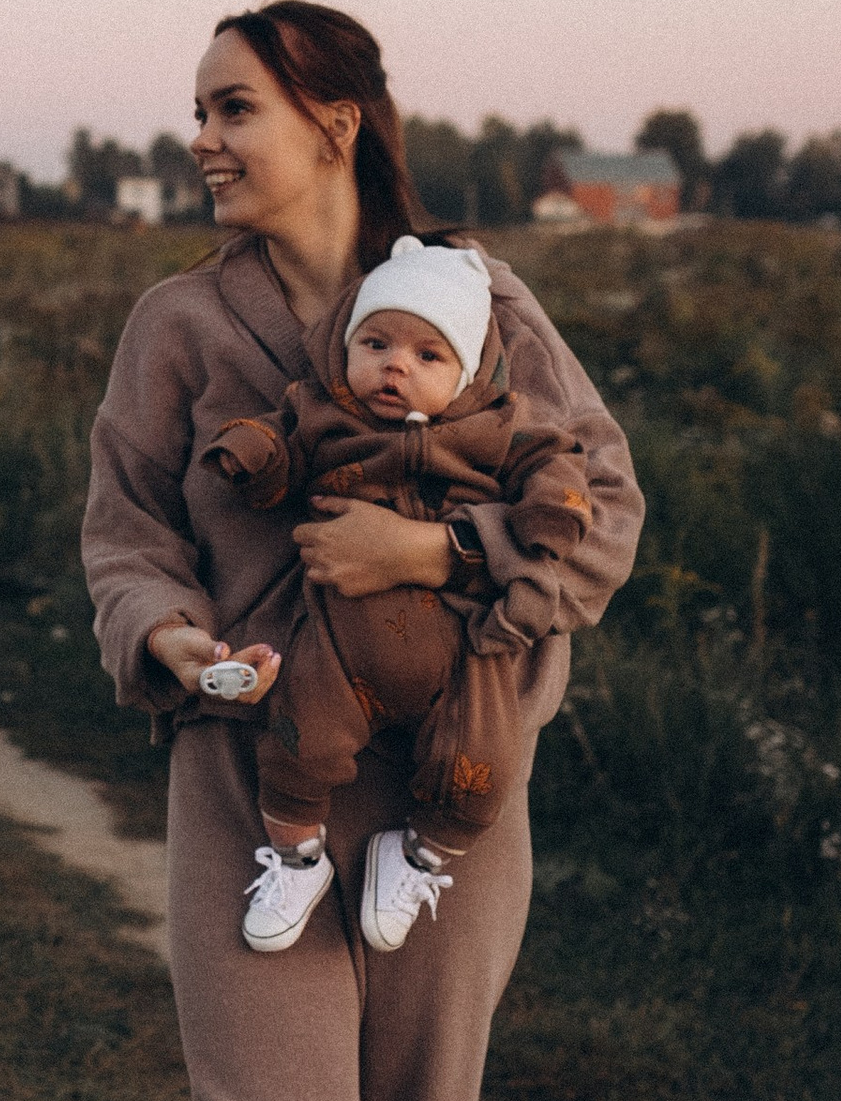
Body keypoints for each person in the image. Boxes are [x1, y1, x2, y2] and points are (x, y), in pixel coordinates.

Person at [82, 0, 640, 1101]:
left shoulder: (479, 300)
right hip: (248, 792)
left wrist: (441, 546)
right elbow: (125, 534)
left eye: (234, 106)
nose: (204, 138)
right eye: (196, 111)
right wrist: (171, 643)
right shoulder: (180, 324)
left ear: (337, 118)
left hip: (452, 796)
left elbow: (597, 506)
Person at [204, 233, 593, 958]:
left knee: (480, 770)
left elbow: (557, 459)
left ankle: (415, 858)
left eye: (427, 356)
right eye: (376, 343)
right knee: (296, 749)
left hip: (466, 650)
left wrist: (555, 507)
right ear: (345, 347)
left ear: (469, 371)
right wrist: (252, 456)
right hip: (338, 651)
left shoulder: (494, 427)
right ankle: (296, 862)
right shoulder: (325, 417)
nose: (395, 367)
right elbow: (281, 449)